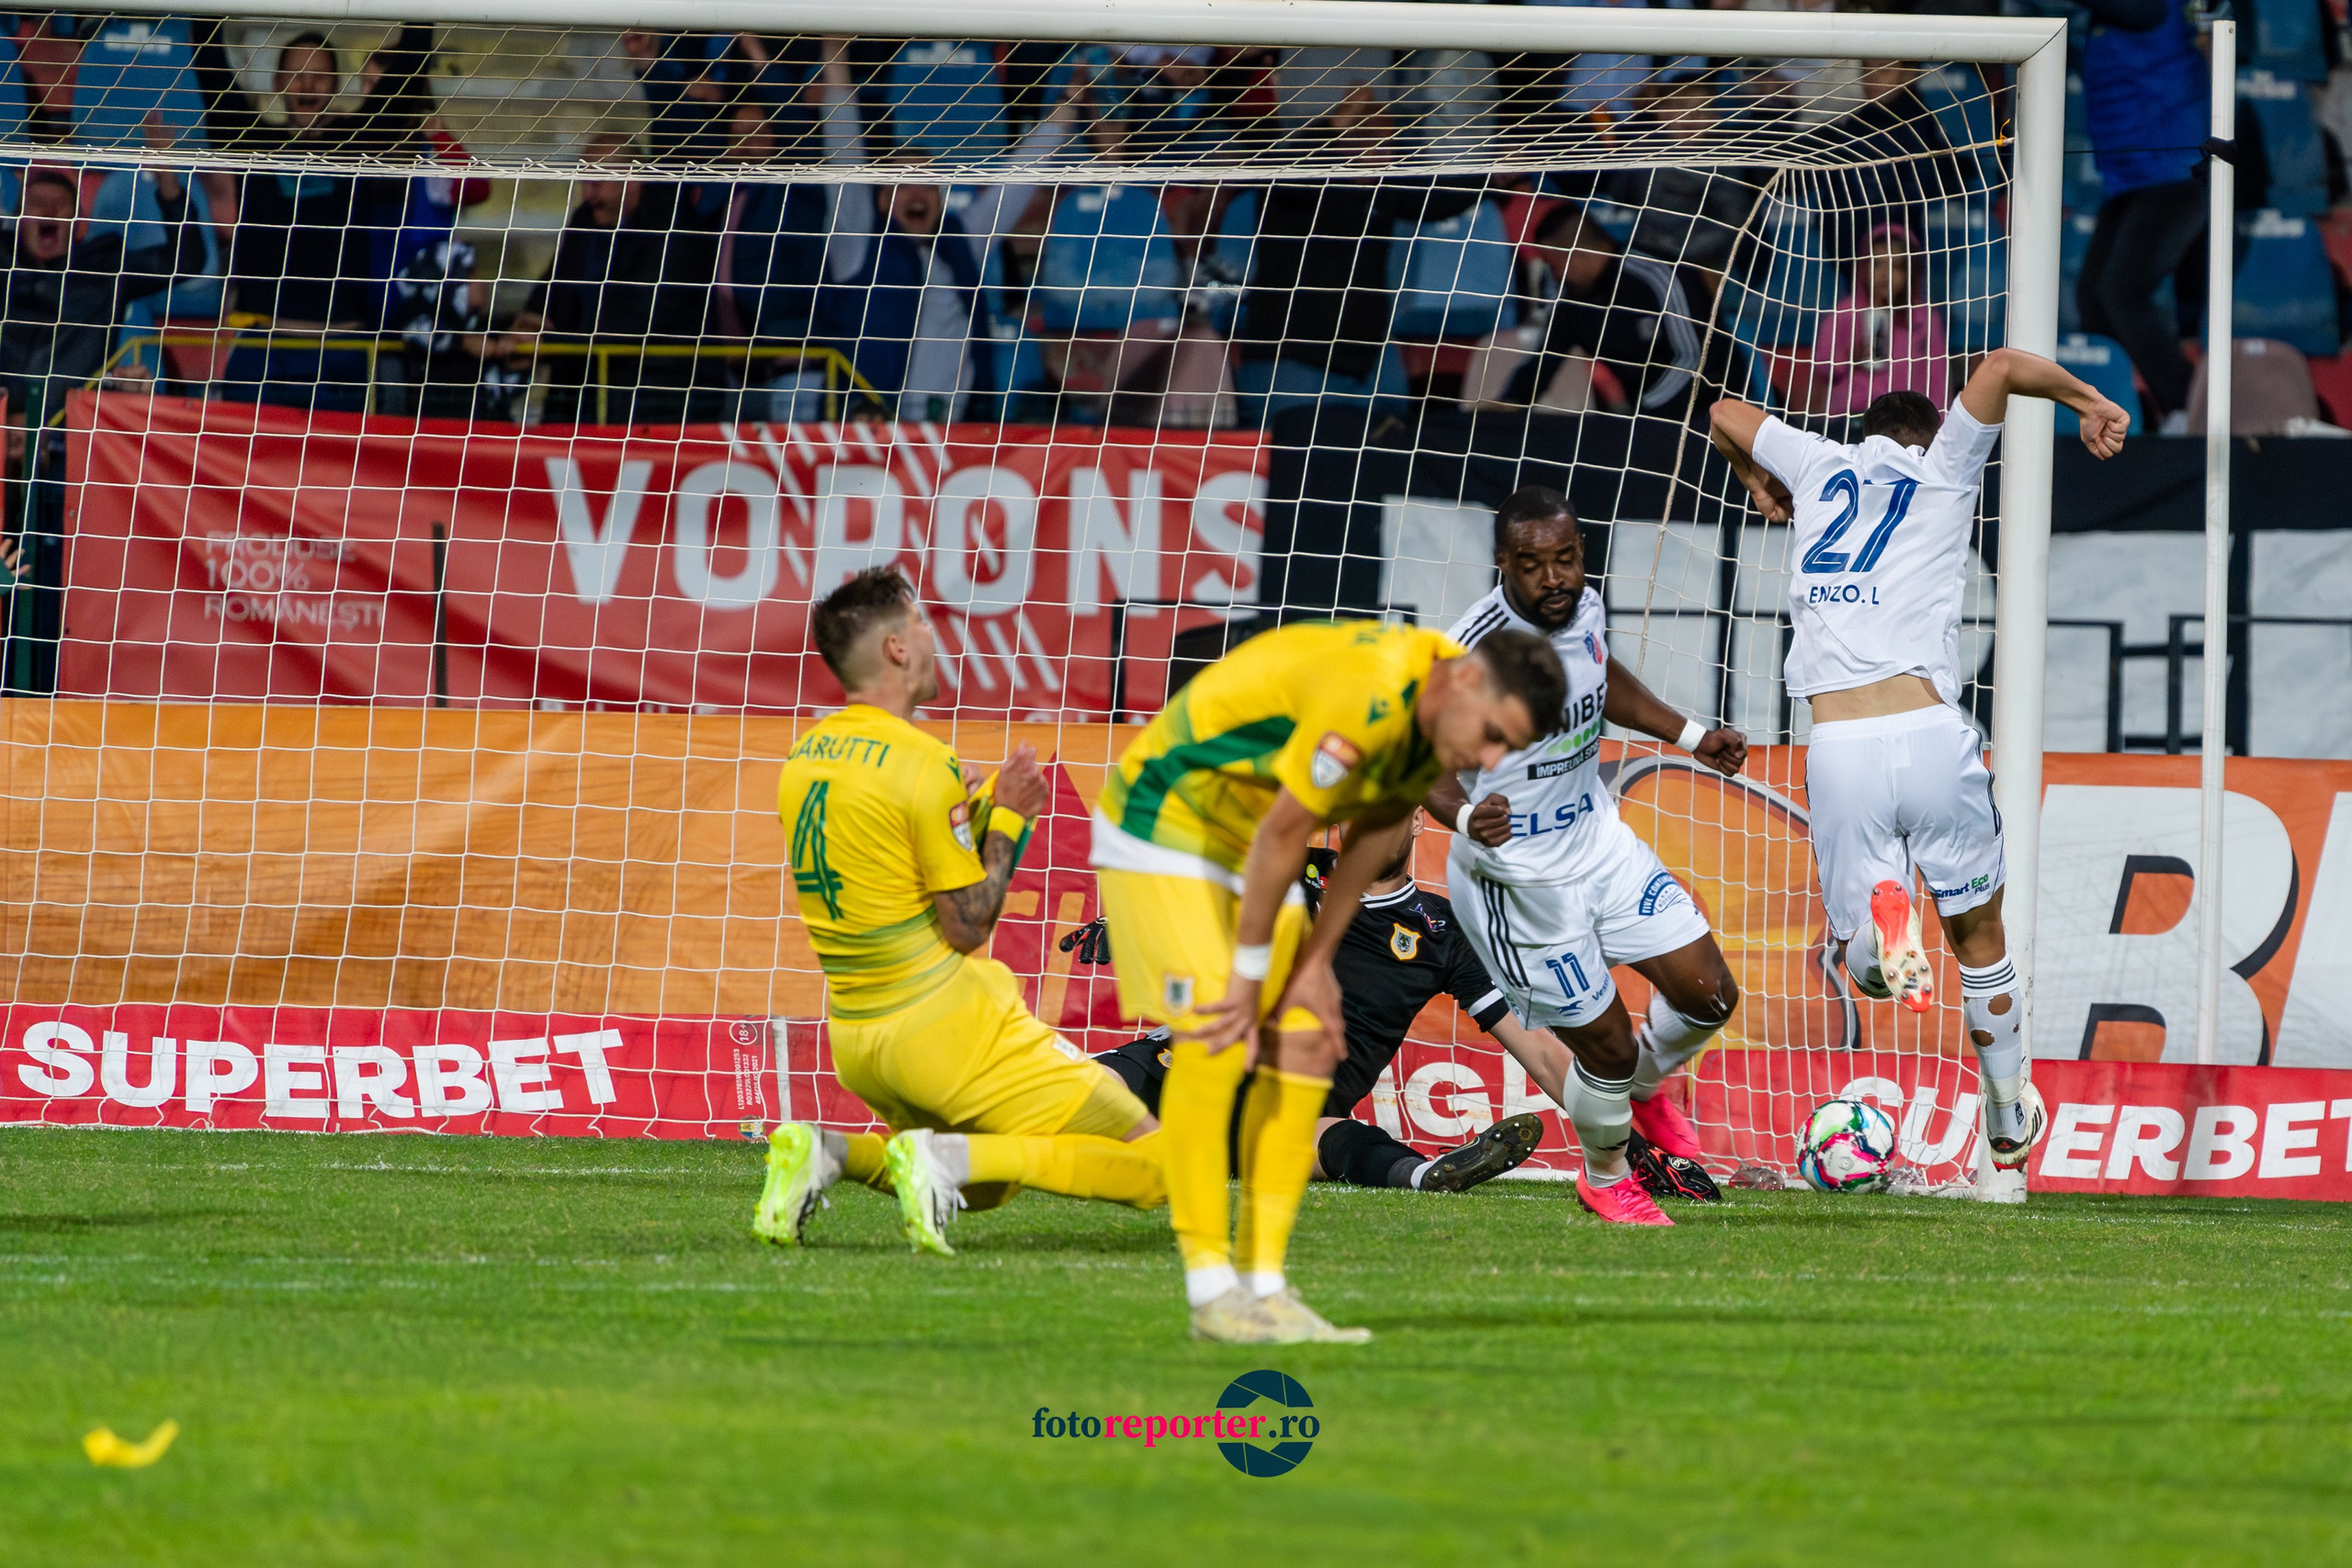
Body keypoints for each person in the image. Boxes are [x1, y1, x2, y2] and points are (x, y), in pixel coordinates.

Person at [1707, 349, 2130, 1201]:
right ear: (1932, 435)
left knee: (1861, 956)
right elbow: (2004, 364)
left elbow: (1720, 409)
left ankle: (1874, 939)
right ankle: (2008, 1111)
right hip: (1933, 734)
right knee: (1980, 939)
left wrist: (1757, 476)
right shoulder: (1944, 468)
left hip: (1840, 744)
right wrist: (2089, 400)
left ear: (1860, 438)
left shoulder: (1820, 462)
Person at [1091, 617, 1567, 1343]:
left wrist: (1312, 965)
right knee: (1217, 1039)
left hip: (1235, 831)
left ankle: (1264, 1286)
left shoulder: (1431, 712)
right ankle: (1215, 1292)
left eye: (1507, 748)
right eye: (1495, 734)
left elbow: (1374, 827)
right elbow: (1289, 833)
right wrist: (1257, 978)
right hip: (1166, 819)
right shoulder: (1372, 697)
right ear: (1470, 679)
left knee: (1309, 1048)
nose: (1487, 757)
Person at [754, 567, 1166, 1254]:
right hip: (943, 1024)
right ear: (895, 648)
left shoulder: (805, 754)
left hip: (858, 1035)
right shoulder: (923, 761)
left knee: (986, 1184)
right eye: (920, 622)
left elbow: (888, 864)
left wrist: (970, 811)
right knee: (1161, 1166)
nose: (932, 634)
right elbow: (967, 924)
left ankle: (825, 1151)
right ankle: (936, 1161)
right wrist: (1010, 812)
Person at [1429, 487, 1750, 1228]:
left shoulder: (1587, 608)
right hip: (1519, 880)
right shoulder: (1469, 654)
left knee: (1710, 994)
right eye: (1534, 565)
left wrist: (1693, 733)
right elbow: (1425, 765)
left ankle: (1638, 1090)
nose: (1555, 579)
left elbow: (1601, 686)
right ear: (1502, 564)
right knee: (1604, 1044)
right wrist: (1469, 813)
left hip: (1598, 842)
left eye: (1567, 559)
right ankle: (1606, 1176)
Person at [1092, 820, 1565, 1195]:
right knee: (1081, 1091)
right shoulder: (1289, 870)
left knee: (1337, 1141)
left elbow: (1540, 1052)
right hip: (1185, 1066)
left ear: (1418, 819)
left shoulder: (1444, 932)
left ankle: (1425, 1175)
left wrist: (1616, 1140)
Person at [1228, 85, 1483, 427]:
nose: (1390, 151)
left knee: (1388, 465)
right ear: (1348, 139)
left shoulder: (1383, 191)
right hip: (1293, 365)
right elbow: (1286, 171)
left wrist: (1488, 174)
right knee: (1299, 471)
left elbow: (1438, 201)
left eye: (1392, 140)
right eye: (1378, 137)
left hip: (1369, 362)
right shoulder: (1299, 187)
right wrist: (1333, 125)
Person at [507, 134, 724, 424]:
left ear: (632, 179)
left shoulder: (674, 228)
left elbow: (635, 319)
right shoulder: (587, 218)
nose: (587, 195)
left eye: (597, 183)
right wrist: (528, 324)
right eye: (585, 183)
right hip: (589, 390)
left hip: (659, 398)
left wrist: (548, 340)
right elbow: (557, 283)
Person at [2075, 0, 2211, 431]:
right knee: (2093, 296)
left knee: (2122, 291)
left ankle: (2187, 410)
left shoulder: (2148, 6)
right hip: (2133, 179)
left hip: (2176, 172)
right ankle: (2128, 411)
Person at [1504, 204, 1750, 426]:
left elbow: (1695, 358)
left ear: (1578, 254)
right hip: (1645, 420)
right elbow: (1544, 360)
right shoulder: (1572, 301)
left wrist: (1646, 414)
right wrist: (1509, 403)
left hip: (1715, 410)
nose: (1554, 276)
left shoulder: (1656, 275)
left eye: (1554, 266)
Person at [1807, 222, 1949, 421]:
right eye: (1878, 264)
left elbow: (1938, 380)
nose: (1886, 275)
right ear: (1864, 267)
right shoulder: (1845, 313)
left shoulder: (1924, 318)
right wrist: (1849, 357)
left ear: (1911, 273)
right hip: (1851, 419)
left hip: (1907, 423)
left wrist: (1937, 429)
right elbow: (1821, 366)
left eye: (1896, 266)